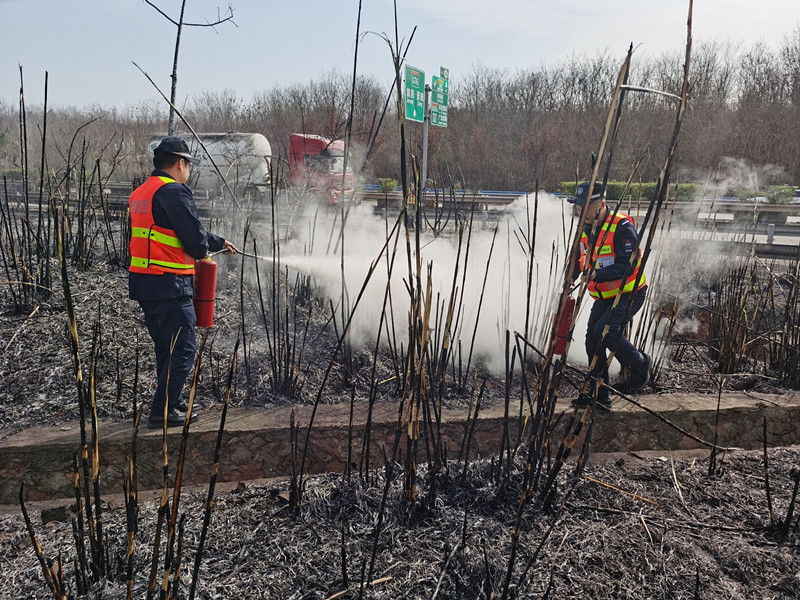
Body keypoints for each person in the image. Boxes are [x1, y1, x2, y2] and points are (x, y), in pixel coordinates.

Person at [129, 137, 237, 428]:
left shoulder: (142, 192)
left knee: (167, 347)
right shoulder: (174, 191)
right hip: (170, 283)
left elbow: (173, 229)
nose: (189, 170)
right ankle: (162, 410)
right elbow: (194, 240)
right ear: (180, 163)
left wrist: (218, 242)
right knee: (184, 348)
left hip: (146, 283)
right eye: (189, 164)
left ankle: (172, 400)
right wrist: (205, 247)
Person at [568, 181, 650, 410]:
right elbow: (577, 258)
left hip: (629, 293)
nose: (581, 212)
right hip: (603, 296)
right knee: (592, 340)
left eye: (585, 207)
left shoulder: (622, 226)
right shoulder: (584, 227)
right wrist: (570, 276)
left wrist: (598, 274)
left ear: (601, 204)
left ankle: (639, 363)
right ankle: (599, 394)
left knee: (605, 333)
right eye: (578, 207)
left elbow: (629, 266)